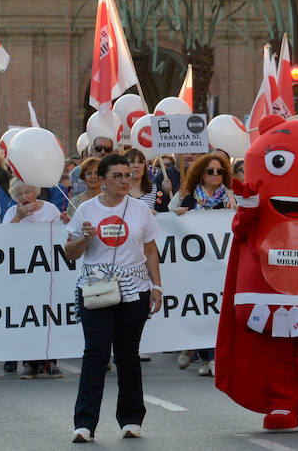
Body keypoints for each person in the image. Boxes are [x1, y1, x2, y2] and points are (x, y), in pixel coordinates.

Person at [65, 153, 163, 442]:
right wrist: (84, 238)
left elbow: (150, 251)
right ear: (103, 180)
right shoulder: (86, 210)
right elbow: (70, 253)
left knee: (128, 355)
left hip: (134, 290)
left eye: (127, 175)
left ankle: (131, 419)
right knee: (95, 354)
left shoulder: (140, 210)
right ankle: (84, 424)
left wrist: (157, 287)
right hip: (96, 289)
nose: (124, 180)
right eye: (117, 176)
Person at [172, 152, 233, 376]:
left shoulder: (231, 198)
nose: (216, 175)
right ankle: (202, 354)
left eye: (220, 171)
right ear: (201, 174)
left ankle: (214, 356)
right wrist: (176, 214)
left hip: (221, 264)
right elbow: (171, 224)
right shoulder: (189, 199)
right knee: (201, 307)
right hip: (196, 265)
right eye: (211, 171)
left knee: (218, 309)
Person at [3, 180, 65, 379]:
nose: (24, 197)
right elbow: (1, 237)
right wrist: (18, 218)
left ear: (36, 192)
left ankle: (50, 361)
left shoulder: (50, 208)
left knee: (49, 315)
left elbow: (61, 233)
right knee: (28, 316)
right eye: (19, 194)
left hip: (47, 270)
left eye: (27, 191)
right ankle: (29, 363)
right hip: (23, 273)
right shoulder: (12, 212)